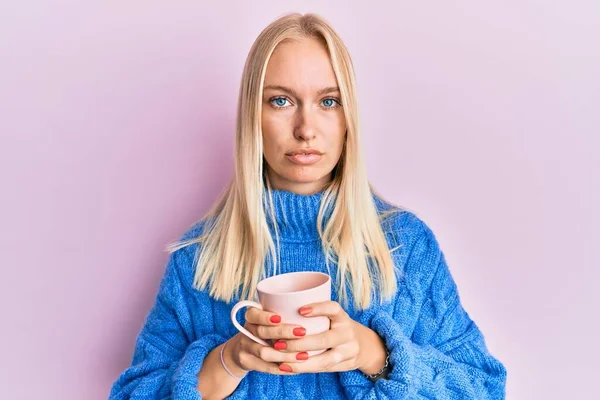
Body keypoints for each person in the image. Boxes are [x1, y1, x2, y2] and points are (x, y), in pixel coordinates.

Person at [109, 12, 506, 400]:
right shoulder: (198, 258)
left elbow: (484, 387)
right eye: (281, 101)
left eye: (328, 102)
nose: (306, 129)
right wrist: (227, 361)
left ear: (349, 117)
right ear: (253, 117)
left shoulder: (406, 246)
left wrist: (375, 354)